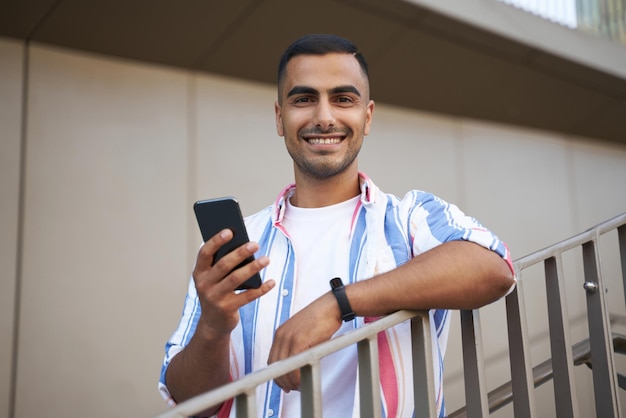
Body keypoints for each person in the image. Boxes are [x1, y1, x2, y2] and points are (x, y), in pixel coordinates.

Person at [159, 33, 516, 418]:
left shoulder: (409, 219)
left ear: (368, 115)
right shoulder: (234, 248)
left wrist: (337, 304)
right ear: (280, 118)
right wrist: (213, 328)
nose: (324, 117)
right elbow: (190, 403)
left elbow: (494, 268)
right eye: (304, 99)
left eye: (343, 99)